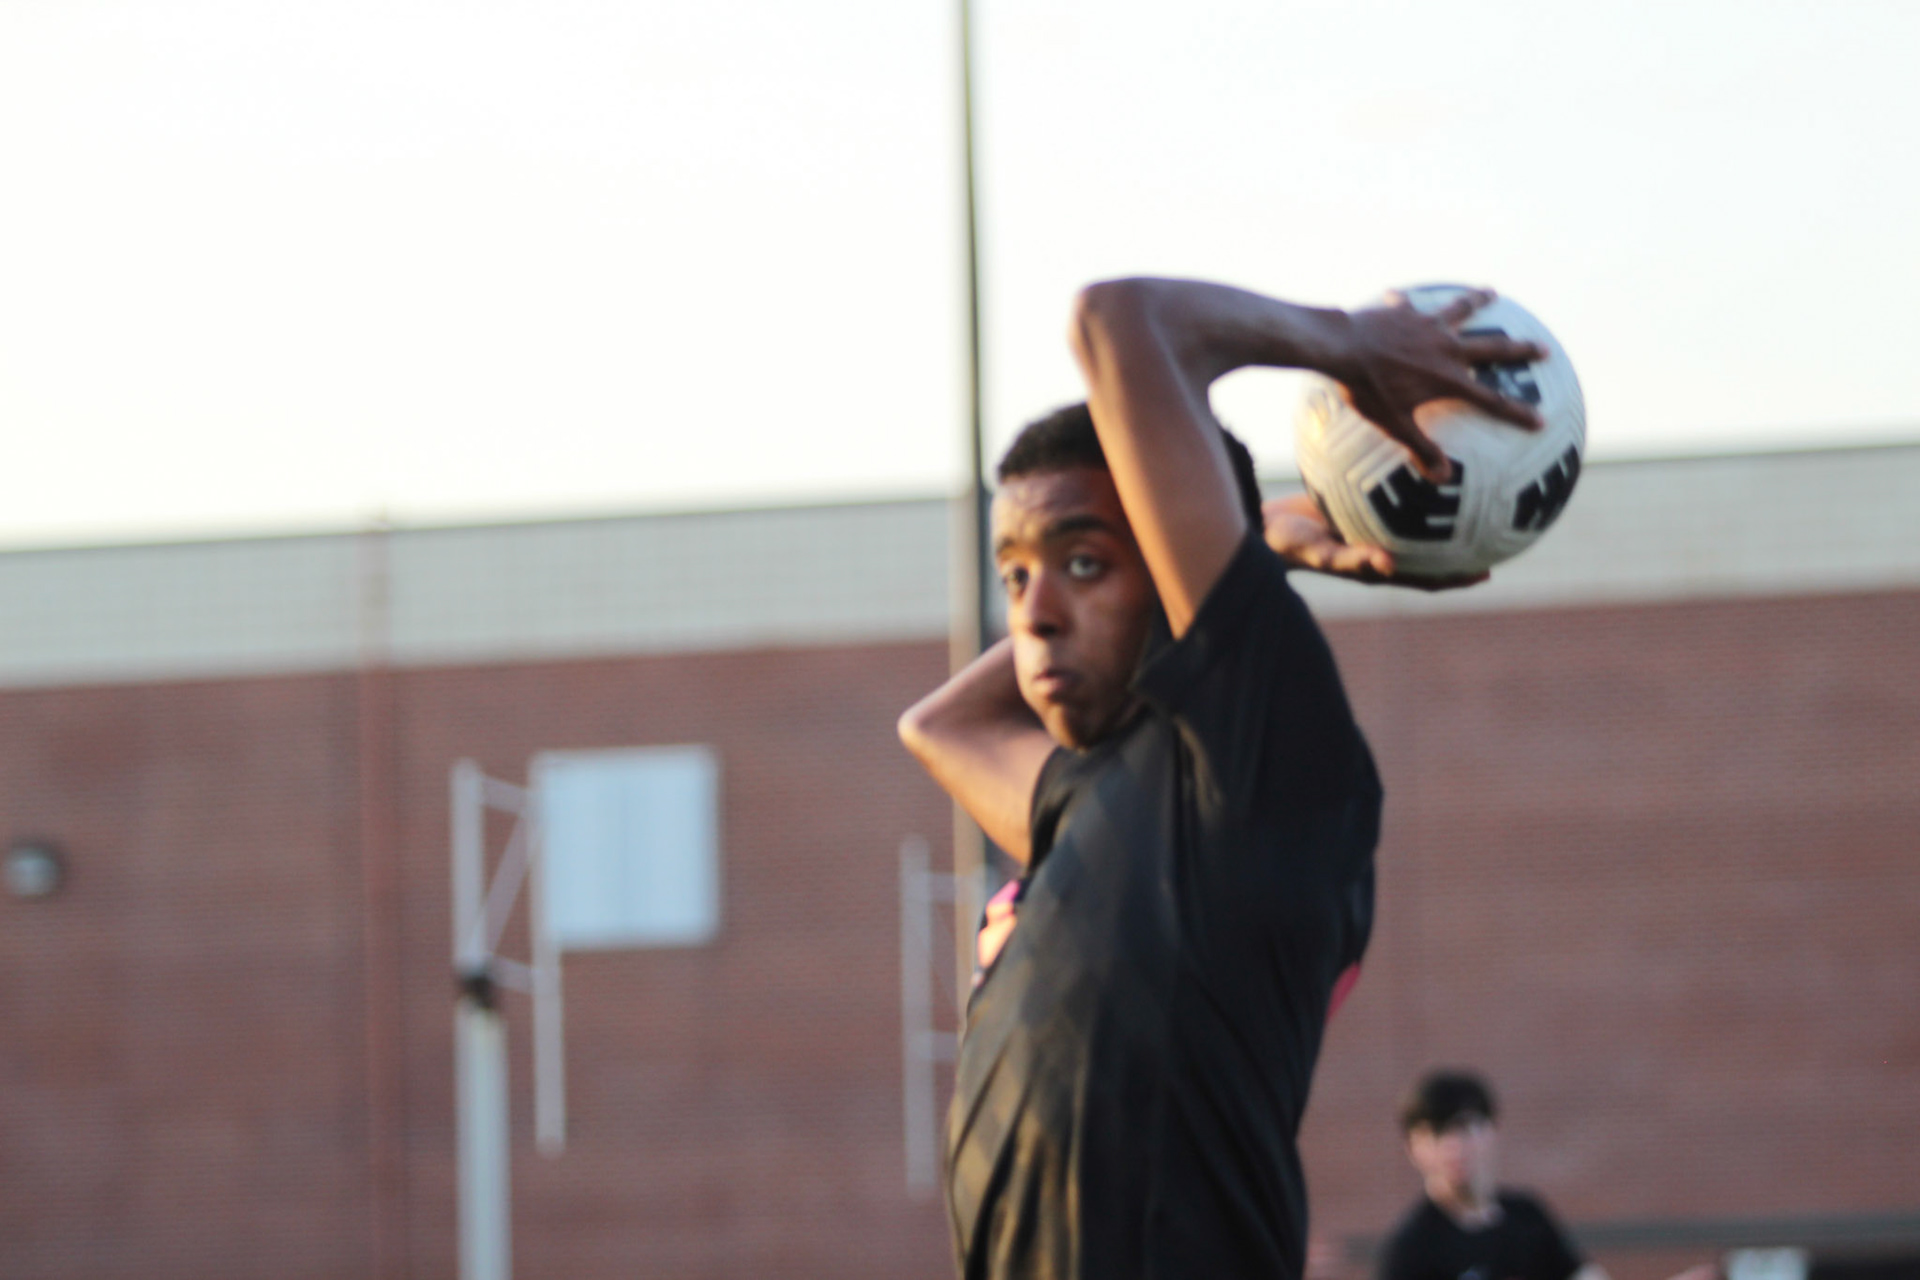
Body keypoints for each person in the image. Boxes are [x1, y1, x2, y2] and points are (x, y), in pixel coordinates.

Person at [898, 277, 1546, 1280]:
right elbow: (939, 723)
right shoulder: (1085, 805)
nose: (1032, 613)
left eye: (1083, 562)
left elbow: (1119, 320)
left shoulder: (1254, 770)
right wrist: (1271, 540)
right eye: (1014, 572)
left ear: (1171, 565)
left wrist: (1351, 344)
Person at [1379, 1070, 1718, 1280]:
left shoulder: (1528, 1217)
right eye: (1435, 1134)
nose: (1453, 1147)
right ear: (1412, 1148)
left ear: (1493, 1129)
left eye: (1465, 1128)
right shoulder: (1411, 1249)